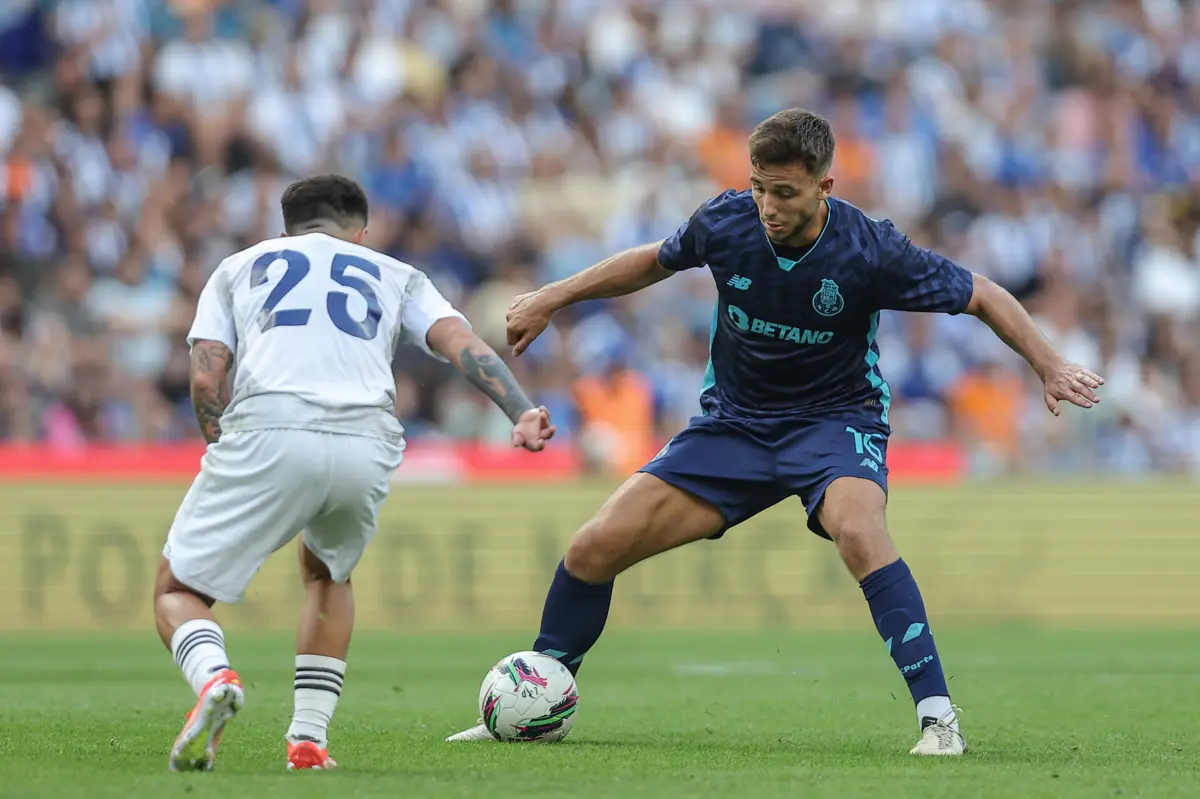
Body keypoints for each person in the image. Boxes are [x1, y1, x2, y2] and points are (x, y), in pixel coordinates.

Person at [446, 109, 1104, 755]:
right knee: (594, 546)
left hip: (834, 423)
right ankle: (528, 704)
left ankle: (938, 719)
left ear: (824, 187)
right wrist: (552, 296)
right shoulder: (727, 221)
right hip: (733, 426)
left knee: (860, 530)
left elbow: (981, 292)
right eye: (760, 187)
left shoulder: (870, 249)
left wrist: (1047, 363)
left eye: (784, 192)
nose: (767, 204)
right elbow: (654, 260)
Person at [155, 174, 555, 772]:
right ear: (361, 232)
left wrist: (222, 446)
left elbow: (207, 375)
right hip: (367, 440)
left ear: (285, 228)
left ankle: (214, 680)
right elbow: (460, 343)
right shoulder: (392, 272)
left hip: (271, 426)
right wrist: (520, 410)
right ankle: (309, 742)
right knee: (327, 575)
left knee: (178, 590)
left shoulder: (241, 266)